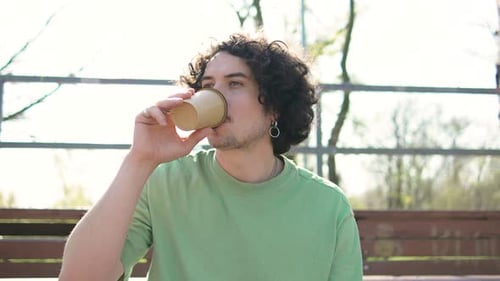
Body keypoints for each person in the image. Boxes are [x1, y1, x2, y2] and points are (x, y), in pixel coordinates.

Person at [59, 32, 363, 281]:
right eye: (207, 86)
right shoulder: (164, 181)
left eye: (235, 84)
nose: (215, 97)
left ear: (275, 107)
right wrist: (139, 160)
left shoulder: (328, 206)